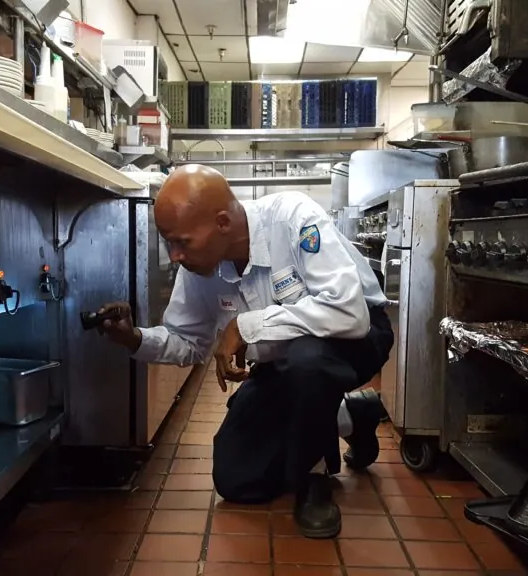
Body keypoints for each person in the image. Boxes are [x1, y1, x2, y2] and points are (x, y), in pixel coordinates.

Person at [96, 164, 394, 539]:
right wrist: (134, 338)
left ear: (222, 222)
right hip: (281, 361)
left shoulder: (293, 218)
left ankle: (314, 479)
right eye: (169, 242)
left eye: (182, 242)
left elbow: (349, 313)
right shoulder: (199, 268)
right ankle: (351, 416)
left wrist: (245, 325)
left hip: (357, 338)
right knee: (236, 478)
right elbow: (188, 341)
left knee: (308, 361)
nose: (174, 255)